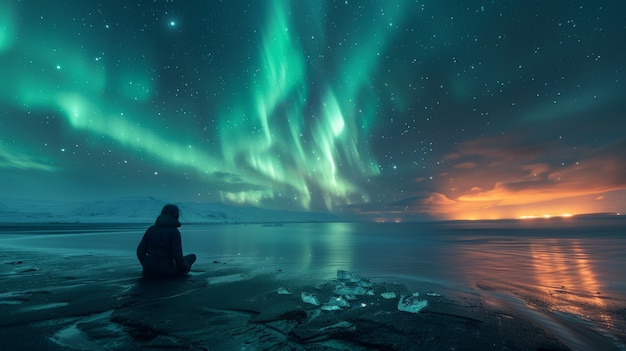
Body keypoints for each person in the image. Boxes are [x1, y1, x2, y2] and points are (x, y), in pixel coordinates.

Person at [137, 204, 196, 278]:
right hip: (167, 272)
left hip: (148, 270)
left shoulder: (151, 229)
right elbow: (177, 255)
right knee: (192, 257)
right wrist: (185, 268)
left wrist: (146, 265)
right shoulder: (174, 232)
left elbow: (140, 251)